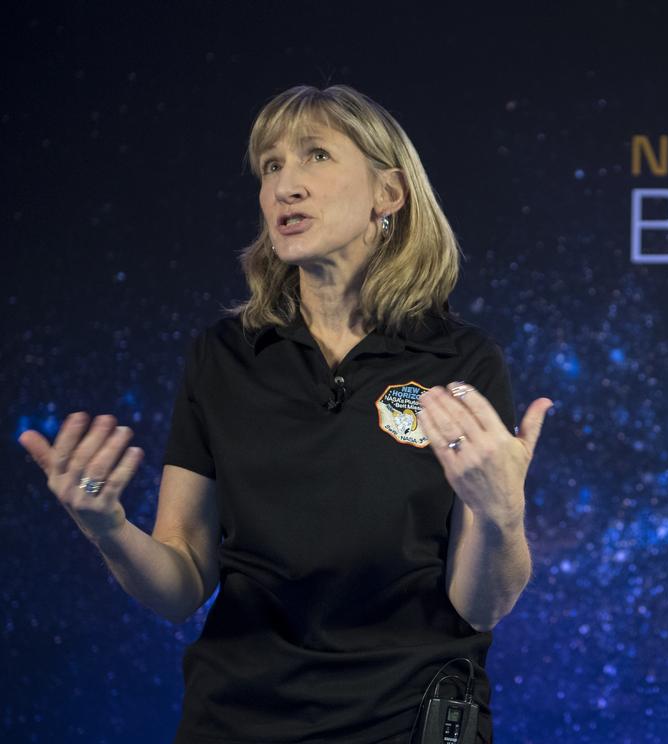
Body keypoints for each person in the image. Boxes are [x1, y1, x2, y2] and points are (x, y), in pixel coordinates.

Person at [17, 84, 553, 743]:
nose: (284, 186)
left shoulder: (462, 361)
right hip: (235, 722)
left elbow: (481, 606)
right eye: (271, 166)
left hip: (405, 723)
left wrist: (502, 514)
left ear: (388, 194)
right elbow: (181, 584)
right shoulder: (223, 357)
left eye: (316, 156)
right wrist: (108, 529)